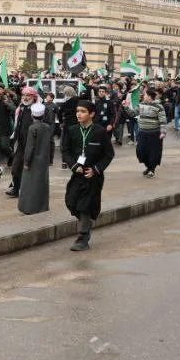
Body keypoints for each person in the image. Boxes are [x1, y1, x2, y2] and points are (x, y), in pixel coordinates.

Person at [62, 99, 115, 251]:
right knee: (71, 202)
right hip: (77, 174)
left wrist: (96, 169)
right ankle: (88, 221)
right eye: (78, 111)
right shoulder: (72, 130)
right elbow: (65, 151)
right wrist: (73, 166)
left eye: (83, 111)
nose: (79, 114)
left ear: (91, 114)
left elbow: (108, 154)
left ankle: (83, 238)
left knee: (84, 206)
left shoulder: (100, 131)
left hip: (93, 176)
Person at [17, 100, 54, 215]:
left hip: (33, 161)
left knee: (30, 185)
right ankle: (42, 207)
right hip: (44, 159)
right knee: (42, 183)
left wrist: (27, 162)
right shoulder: (47, 127)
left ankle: (29, 208)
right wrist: (50, 159)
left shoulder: (32, 128)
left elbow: (30, 147)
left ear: (33, 115)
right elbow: (51, 143)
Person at [134, 88, 165, 177]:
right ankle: (148, 167)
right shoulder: (140, 105)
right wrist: (125, 107)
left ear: (150, 97)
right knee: (140, 152)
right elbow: (132, 113)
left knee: (153, 153)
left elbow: (163, 121)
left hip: (154, 134)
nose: (143, 96)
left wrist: (163, 132)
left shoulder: (159, 107)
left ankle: (151, 170)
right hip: (142, 132)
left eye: (145, 95)